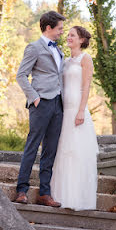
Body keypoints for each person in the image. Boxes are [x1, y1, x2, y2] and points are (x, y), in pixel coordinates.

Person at [14, 11, 66, 207]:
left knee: (50, 150)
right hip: (41, 102)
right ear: (49, 28)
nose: (62, 32)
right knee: (33, 146)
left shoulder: (58, 50)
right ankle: (21, 190)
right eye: (59, 28)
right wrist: (34, 97)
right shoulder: (34, 48)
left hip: (58, 104)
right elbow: (21, 75)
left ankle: (45, 193)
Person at [51, 26, 99, 211]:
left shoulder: (85, 59)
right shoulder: (65, 59)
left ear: (81, 40)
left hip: (77, 110)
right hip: (63, 111)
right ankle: (61, 195)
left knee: (77, 153)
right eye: (68, 35)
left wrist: (81, 111)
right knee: (63, 152)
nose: (68, 37)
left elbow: (86, 86)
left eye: (72, 35)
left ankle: (78, 198)